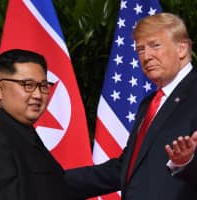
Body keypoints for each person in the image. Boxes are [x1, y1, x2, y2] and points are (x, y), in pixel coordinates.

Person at [63, 13, 197, 199]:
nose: (146, 56)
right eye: (140, 49)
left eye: (154, 45)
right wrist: (54, 182)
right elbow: (126, 168)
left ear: (182, 48)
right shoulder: (149, 103)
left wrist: (187, 162)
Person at [0, 49, 81, 200]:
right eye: (27, 85)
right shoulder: (1, 136)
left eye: (43, 86)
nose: (38, 95)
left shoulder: (22, 131)